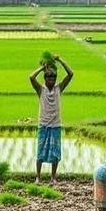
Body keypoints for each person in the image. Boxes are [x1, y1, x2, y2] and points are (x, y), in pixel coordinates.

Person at [29, 55, 74, 184]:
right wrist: (42, 68)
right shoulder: (41, 90)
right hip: (43, 124)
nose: (52, 81)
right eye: (49, 78)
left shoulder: (59, 88)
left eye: (54, 78)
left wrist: (60, 60)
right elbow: (31, 77)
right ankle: (38, 177)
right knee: (40, 152)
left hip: (55, 125)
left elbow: (71, 74)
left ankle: (53, 177)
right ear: (45, 79)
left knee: (55, 153)